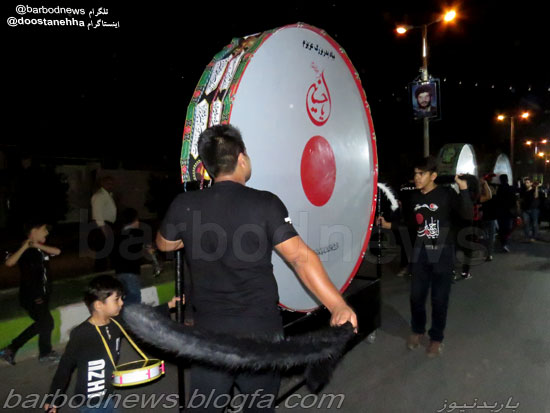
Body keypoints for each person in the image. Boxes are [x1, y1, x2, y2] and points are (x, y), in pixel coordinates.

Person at [156, 124, 357, 412]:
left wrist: (186, 234)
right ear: (241, 158)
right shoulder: (264, 203)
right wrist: (337, 305)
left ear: (208, 167)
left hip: (209, 336)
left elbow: (164, 244)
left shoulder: (184, 204)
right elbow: (300, 258)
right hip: (260, 334)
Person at [43, 275, 181, 413]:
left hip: (109, 396)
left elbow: (142, 317)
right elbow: (65, 368)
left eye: (121, 298)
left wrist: (169, 305)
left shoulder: (116, 322)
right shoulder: (82, 334)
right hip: (90, 404)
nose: (121, 303)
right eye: (116, 299)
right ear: (99, 305)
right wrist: (53, 399)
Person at [378, 156, 472, 357]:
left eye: (421, 174)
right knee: (416, 296)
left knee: (439, 298)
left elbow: (467, 215)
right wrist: (389, 225)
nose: (417, 177)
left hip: (443, 253)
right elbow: (412, 225)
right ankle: (417, 330)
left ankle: (436, 338)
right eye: (415, 174)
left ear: (433, 176)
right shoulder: (414, 198)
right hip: (420, 253)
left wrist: (463, 189)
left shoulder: (446, 194)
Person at [1, 221, 61, 365]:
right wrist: (25, 246)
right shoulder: (23, 249)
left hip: (42, 294)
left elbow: (57, 251)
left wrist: (36, 245)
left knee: (45, 323)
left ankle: (10, 350)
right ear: (34, 231)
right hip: (33, 295)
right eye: (44, 229)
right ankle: (44, 354)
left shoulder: (40, 248)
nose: (47, 232)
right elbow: (9, 262)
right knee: (46, 322)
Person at [112, 208, 152, 305]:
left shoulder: (116, 236)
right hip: (131, 273)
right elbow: (147, 250)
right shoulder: (138, 233)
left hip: (119, 273)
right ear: (135, 220)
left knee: (122, 300)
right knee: (134, 301)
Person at [90, 176, 117, 272]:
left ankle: (109, 270)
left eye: (112, 183)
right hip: (102, 226)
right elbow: (98, 215)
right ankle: (100, 272)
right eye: (108, 183)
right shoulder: (99, 196)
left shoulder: (107, 195)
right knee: (102, 252)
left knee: (109, 250)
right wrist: (104, 230)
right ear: (102, 184)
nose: (111, 185)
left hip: (107, 225)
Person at [494, 174, 517, 252]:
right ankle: (505, 243)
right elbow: (514, 200)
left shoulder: (499, 189)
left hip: (500, 211)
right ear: (507, 180)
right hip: (508, 211)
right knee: (507, 228)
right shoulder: (510, 188)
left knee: (501, 228)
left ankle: (502, 242)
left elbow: (497, 200)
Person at [480, 176, 497, 261]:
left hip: (487, 218)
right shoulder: (490, 197)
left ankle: (488, 253)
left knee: (487, 237)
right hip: (488, 218)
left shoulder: (487, 197)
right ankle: (488, 253)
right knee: (489, 237)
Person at [520, 177, 540, 242]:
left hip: (534, 209)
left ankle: (534, 236)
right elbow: (521, 199)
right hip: (525, 210)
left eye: (528, 183)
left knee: (534, 224)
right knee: (526, 223)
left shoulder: (534, 190)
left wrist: (536, 187)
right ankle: (527, 237)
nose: (526, 184)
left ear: (531, 183)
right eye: (525, 183)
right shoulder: (523, 190)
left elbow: (536, 196)